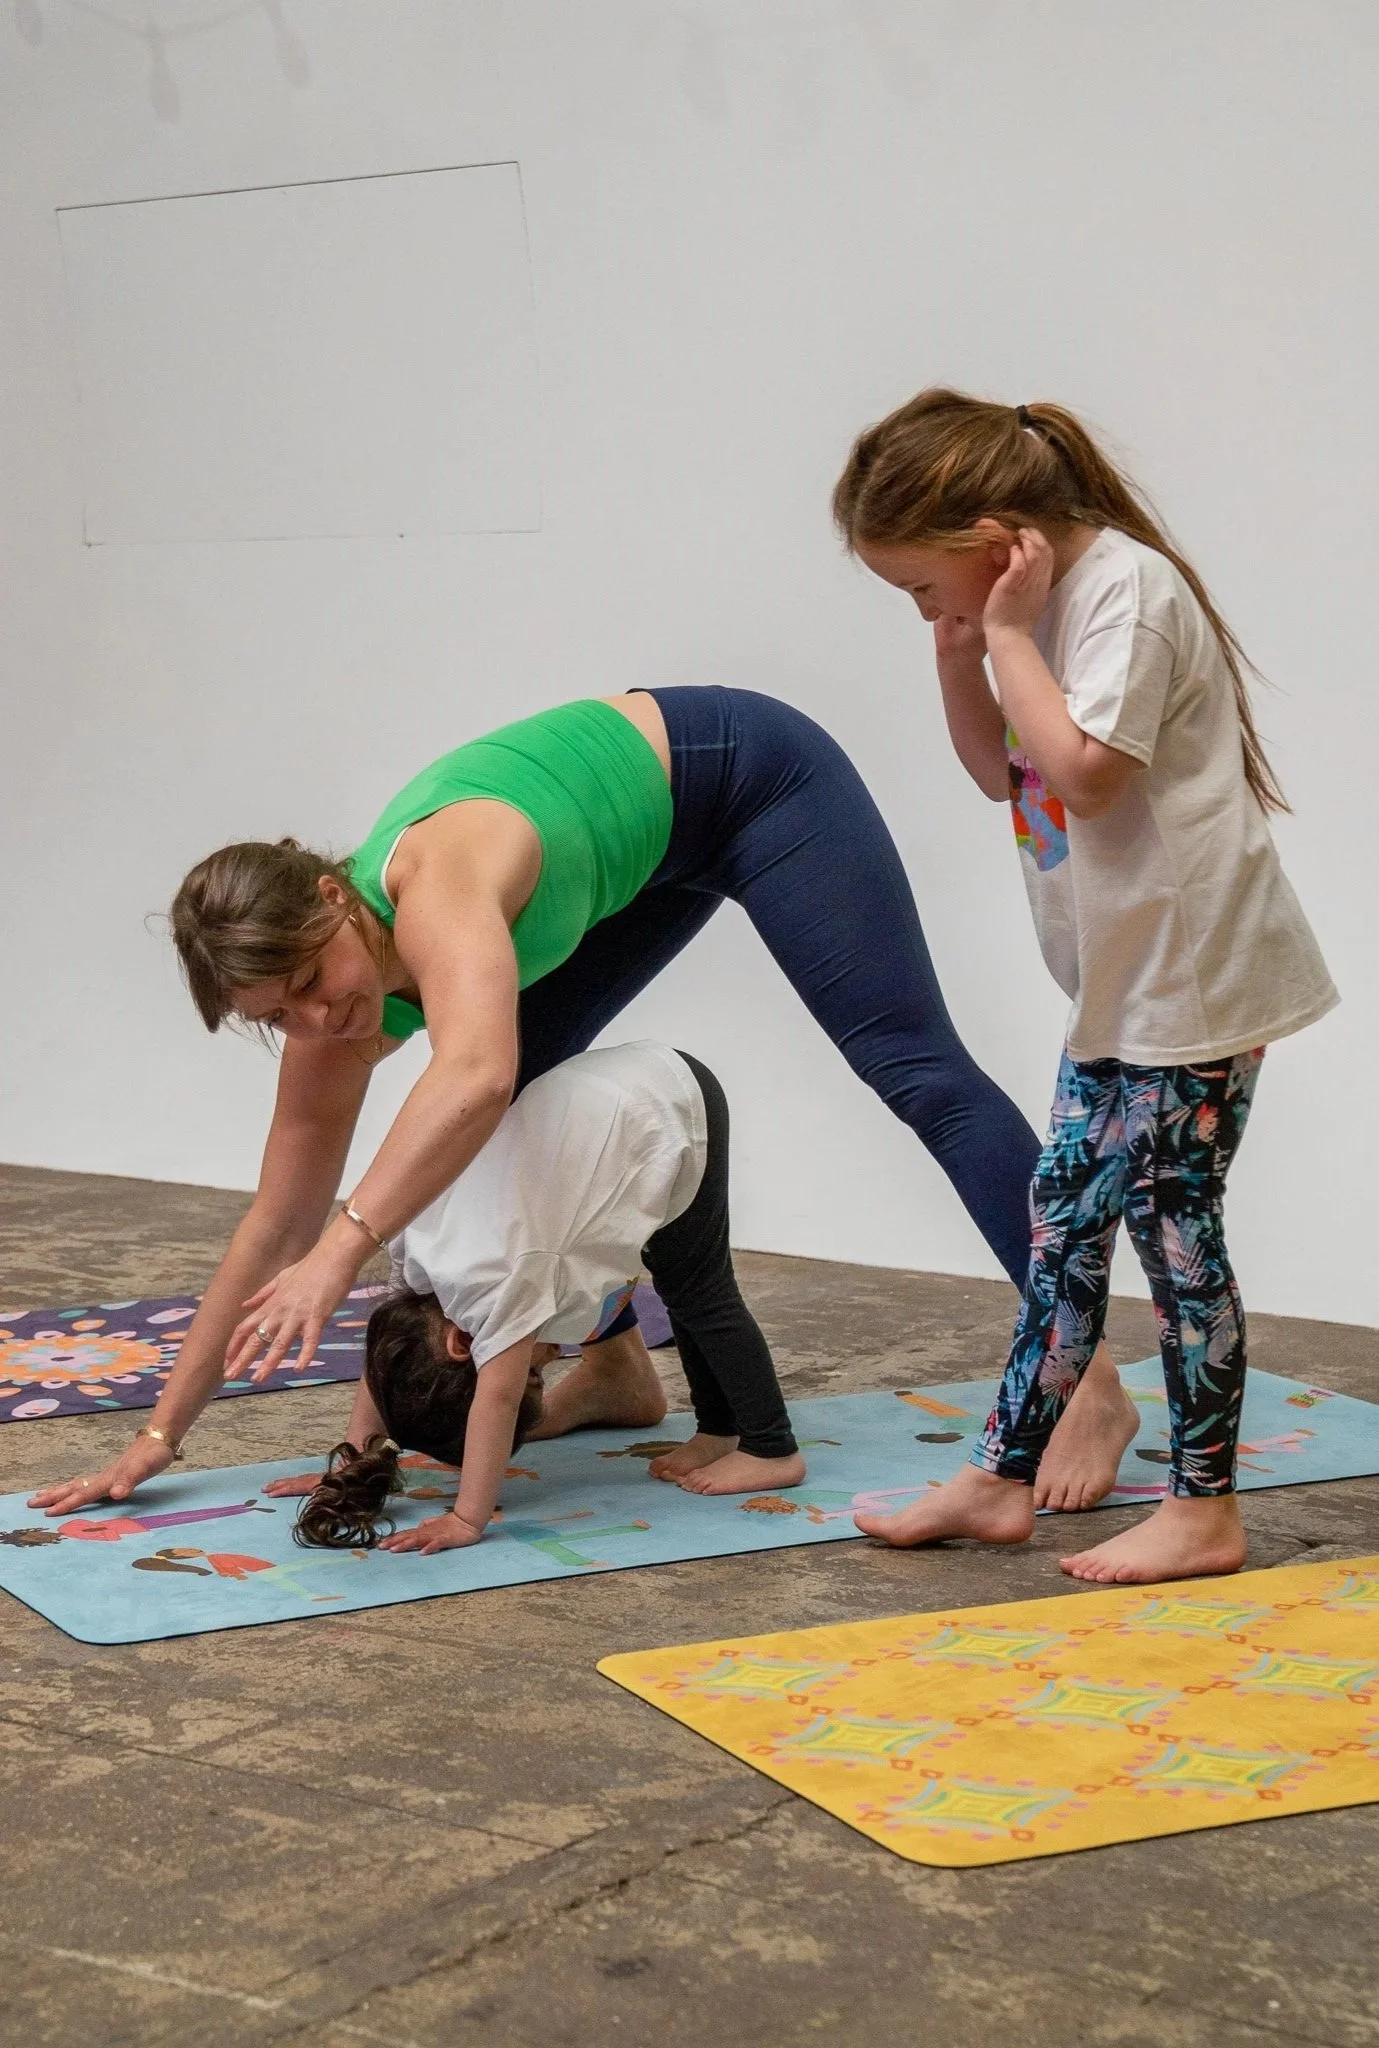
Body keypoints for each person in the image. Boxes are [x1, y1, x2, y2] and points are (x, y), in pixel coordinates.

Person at [34, 681, 1117, 1521]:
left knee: (912, 1068)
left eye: (316, 982)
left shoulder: (435, 886)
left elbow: (471, 1078)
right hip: (641, 860)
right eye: (280, 1016)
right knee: (499, 1117)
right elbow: (273, 1227)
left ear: (333, 897)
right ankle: (610, 1365)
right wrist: (160, 1436)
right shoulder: (329, 1007)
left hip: (748, 777)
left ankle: (1079, 1373)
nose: (320, 1020)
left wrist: (346, 1245)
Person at [833, 387, 1336, 1585]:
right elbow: (1002, 774)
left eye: (922, 585)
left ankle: (1202, 1507)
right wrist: (960, 655)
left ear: (991, 538)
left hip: (1191, 984)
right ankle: (998, 1476)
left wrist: (1006, 638)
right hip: (1121, 987)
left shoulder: (1124, 595)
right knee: (1059, 1227)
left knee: (1174, 1240)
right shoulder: (1028, 611)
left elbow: (1088, 776)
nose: (925, 607)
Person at [259, 1041, 805, 1551]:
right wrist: (351, 1469)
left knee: (702, 1294)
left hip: (667, 1106)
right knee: (680, 1285)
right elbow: (386, 1363)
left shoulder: (498, 1283)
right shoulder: (417, 1262)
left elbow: (495, 1400)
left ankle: (771, 1447)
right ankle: (719, 1428)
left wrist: (467, 1518)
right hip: (615, 1099)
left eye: (533, 1372)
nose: (550, 1357)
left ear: (462, 1344)